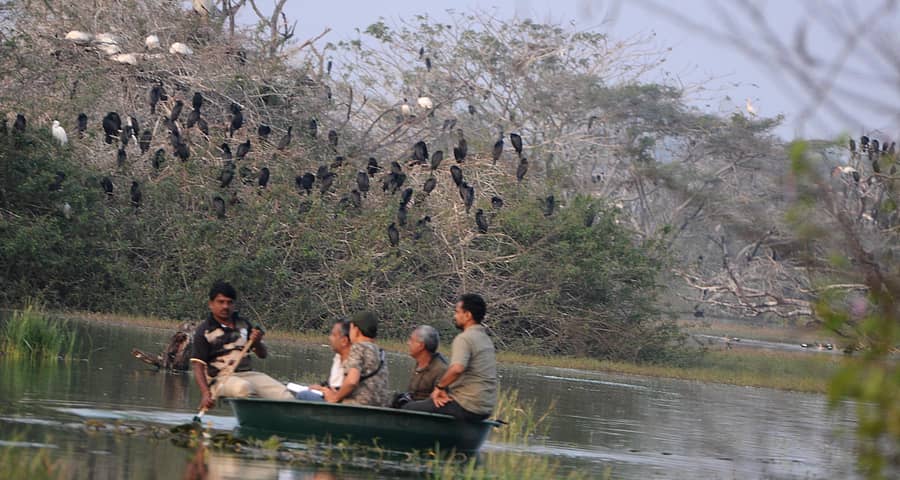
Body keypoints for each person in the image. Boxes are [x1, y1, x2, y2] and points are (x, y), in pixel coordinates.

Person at [191, 281, 293, 410]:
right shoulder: (204, 331)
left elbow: (262, 354)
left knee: (285, 395)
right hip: (220, 379)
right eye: (221, 302)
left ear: (234, 304)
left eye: (229, 302)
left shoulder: (243, 324)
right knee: (243, 388)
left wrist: (256, 342)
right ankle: (252, 416)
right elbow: (198, 366)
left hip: (248, 374)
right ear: (211, 304)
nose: (225, 306)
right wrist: (206, 393)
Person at [403, 294, 497, 421]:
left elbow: (457, 368)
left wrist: (439, 388)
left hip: (466, 406)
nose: (455, 316)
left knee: (407, 408)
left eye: (457, 312)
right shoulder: (486, 339)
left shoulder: (465, 338)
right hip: (485, 409)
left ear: (468, 315)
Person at [322, 311, 390, 406]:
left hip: (358, 406)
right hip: (380, 406)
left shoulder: (358, 347)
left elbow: (352, 381)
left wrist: (335, 398)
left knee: (306, 395)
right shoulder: (379, 351)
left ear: (356, 330)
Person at [289, 318, 351, 401]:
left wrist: (327, 391)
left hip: (338, 401)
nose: (330, 338)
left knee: (303, 395)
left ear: (344, 341)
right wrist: (321, 387)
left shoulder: (352, 360)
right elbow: (333, 383)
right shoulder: (338, 357)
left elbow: (346, 386)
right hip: (330, 396)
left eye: (333, 335)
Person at [392, 325, 448, 408]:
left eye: (411, 340)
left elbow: (438, 402)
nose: (408, 343)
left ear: (421, 345)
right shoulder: (420, 363)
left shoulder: (440, 369)